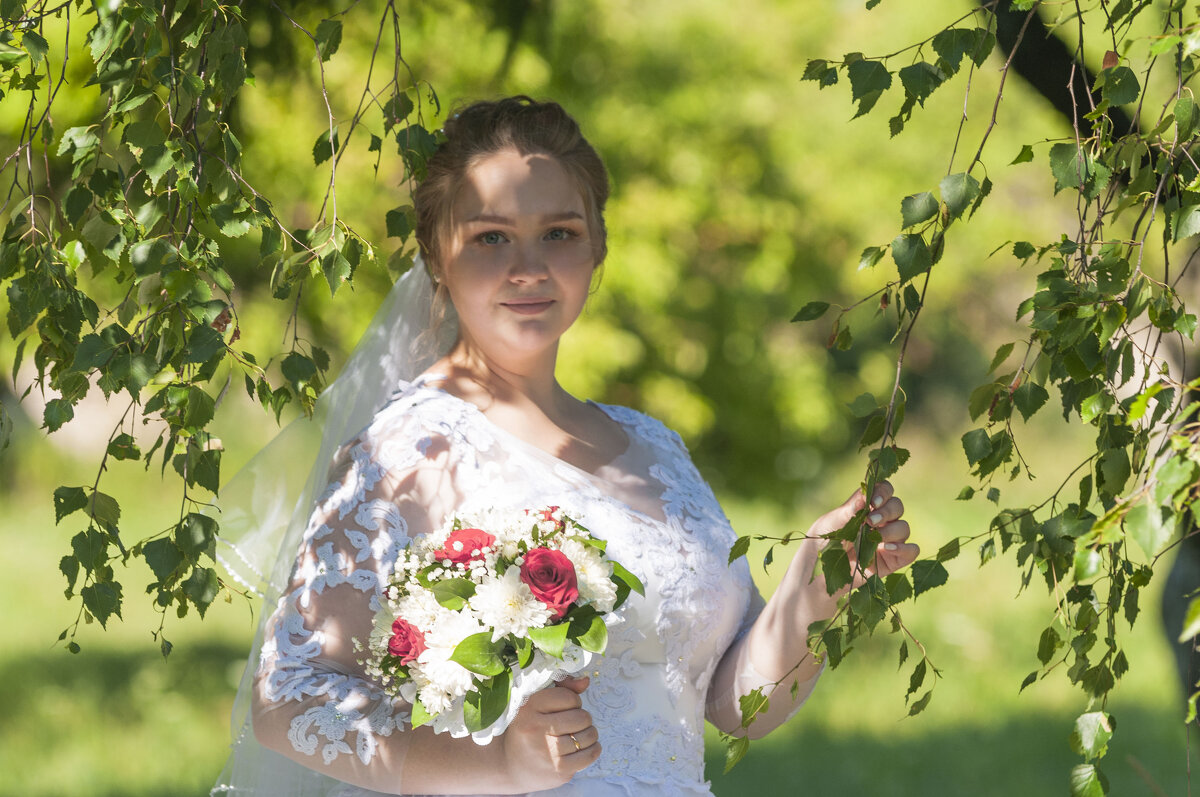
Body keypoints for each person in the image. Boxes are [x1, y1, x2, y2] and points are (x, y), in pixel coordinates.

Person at [211, 96, 918, 797]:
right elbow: (287, 696)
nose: (528, 267)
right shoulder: (411, 449)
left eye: (558, 233)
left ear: (596, 247)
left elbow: (733, 704)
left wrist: (816, 587)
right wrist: (496, 766)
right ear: (436, 256)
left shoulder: (654, 445)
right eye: (490, 237)